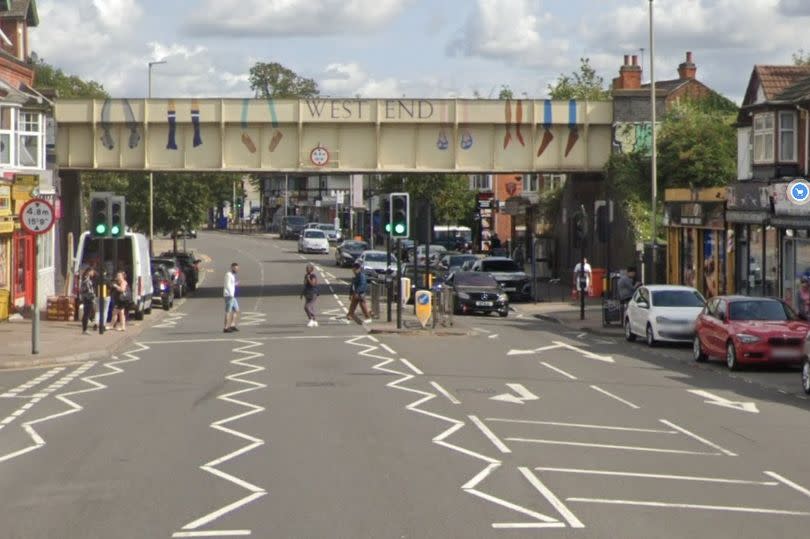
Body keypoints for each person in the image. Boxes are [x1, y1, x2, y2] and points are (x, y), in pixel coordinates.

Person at [79, 267, 97, 335]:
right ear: (89, 272)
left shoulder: (86, 279)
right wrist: (93, 297)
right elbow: (89, 291)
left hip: (87, 298)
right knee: (87, 314)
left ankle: (91, 325)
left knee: (89, 313)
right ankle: (85, 330)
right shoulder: (86, 281)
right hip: (88, 299)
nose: (93, 273)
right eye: (92, 271)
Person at [223, 262, 240, 333]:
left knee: (236, 310)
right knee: (228, 311)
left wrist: (236, 283)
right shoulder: (228, 275)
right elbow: (227, 285)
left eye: (237, 269)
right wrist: (230, 295)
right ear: (232, 267)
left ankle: (232, 325)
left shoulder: (232, 275)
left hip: (232, 296)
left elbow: (231, 284)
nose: (237, 270)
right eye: (235, 268)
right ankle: (226, 328)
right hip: (229, 296)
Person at [301, 263, 319, 327]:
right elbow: (305, 284)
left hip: (313, 293)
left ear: (311, 269)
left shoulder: (313, 276)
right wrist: (302, 293)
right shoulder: (306, 275)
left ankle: (311, 319)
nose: (307, 270)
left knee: (307, 307)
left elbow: (313, 284)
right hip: (307, 293)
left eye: (308, 269)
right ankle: (314, 320)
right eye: (306, 269)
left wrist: (309, 279)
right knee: (310, 307)